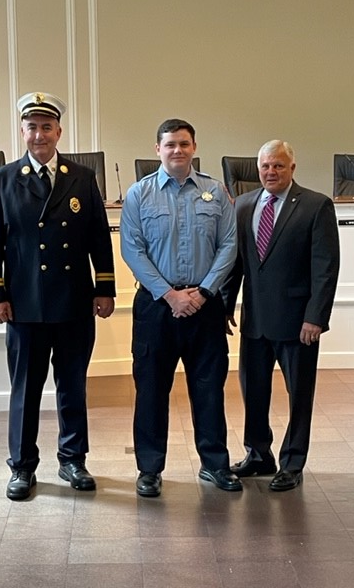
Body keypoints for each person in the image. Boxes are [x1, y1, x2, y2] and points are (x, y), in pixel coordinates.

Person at [0, 91, 115, 500]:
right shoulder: (2, 180)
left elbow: (97, 237)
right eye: (32, 127)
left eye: (47, 127)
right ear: (22, 131)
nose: (40, 134)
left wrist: (105, 287)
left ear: (59, 131)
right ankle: (21, 466)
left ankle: (73, 459)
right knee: (26, 389)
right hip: (24, 305)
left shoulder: (82, 177)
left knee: (73, 385)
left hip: (73, 302)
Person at [120, 118, 241, 497]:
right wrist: (170, 296)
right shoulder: (139, 194)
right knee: (152, 390)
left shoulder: (215, 192)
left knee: (209, 389)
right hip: (157, 307)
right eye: (170, 144)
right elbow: (132, 250)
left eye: (184, 144)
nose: (177, 150)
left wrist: (204, 293)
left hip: (205, 306)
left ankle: (215, 465)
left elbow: (229, 246)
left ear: (194, 147)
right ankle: (150, 469)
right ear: (158, 149)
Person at [222, 140, 340, 491]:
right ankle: (258, 454)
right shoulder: (243, 205)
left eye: (278, 166)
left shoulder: (316, 205)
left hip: (298, 324)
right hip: (255, 321)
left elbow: (325, 267)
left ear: (292, 168)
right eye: (265, 167)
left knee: (299, 395)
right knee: (253, 392)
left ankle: (293, 462)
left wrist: (315, 317)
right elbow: (236, 265)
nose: (271, 172)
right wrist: (225, 306)